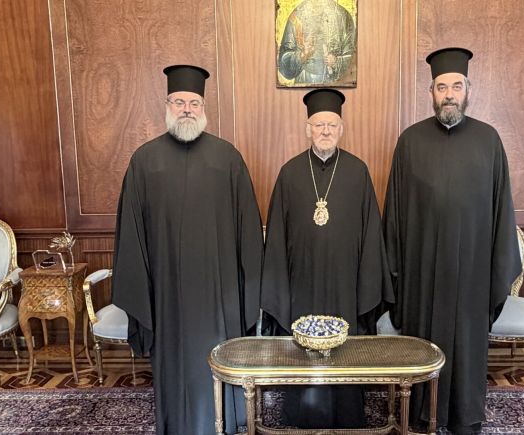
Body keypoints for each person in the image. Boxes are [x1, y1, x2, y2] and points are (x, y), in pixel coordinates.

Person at [111, 64, 263, 435]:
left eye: (193, 103)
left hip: (218, 294)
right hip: (167, 297)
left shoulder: (227, 159)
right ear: (167, 105)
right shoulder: (144, 161)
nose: (186, 110)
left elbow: (247, 230)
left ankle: (222, 424)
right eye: (178, 102)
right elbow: (131, 234)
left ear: (203, 107)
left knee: (219, 359)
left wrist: (248, 290)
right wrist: (142, 291)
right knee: (175, 368)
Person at [382, 48, 521, 434]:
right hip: (422, 274)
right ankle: (420, 414)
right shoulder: (410, 142)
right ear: (430, 91)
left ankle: (464, 416)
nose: (449, 94)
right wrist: (394, 274)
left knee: (466, 349)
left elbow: (502, 210)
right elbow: (394, 215)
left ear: (468, 90)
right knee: (421, 346)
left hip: (472, 276)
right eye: (441, 87)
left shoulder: (488, 140)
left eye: (456, 86)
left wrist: (498, 269)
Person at [261, 88, 393, 429]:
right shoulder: (290, 173)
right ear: (308, 129)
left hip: (346, 283)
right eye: (319, 125)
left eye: (332, 125)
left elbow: (371, 234)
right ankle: (301, 417)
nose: (325, 131)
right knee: (301, 351)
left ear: (341, 129)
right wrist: (278, 287)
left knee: (346, 350)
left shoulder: (358, 171)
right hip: (301, 282)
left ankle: (348, 417)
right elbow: (276, 237)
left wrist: (367, 286)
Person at [277, 0, 356, 85]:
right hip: (304, 82)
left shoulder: (343, 16)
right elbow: (283, 65)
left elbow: (353, 59)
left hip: (335, 84)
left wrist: (337, 62)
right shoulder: (297, 17)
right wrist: (302, 56)